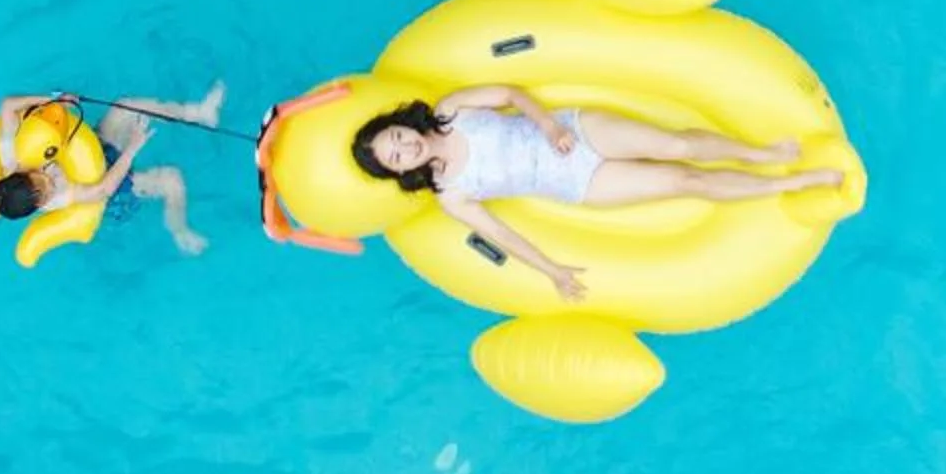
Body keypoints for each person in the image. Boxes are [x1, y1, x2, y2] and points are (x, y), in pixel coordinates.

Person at [349, 86, 842, 300]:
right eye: (395, 157)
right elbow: (500, 233)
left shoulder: (450, 109)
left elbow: (507, 94)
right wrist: (552, 272)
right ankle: (787, 184)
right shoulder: (450, 193)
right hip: (575, 182)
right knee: (682, 181)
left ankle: (763, 153)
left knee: (676, 144)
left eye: (394, 137)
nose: (403, 147)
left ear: (398, 124)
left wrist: (545, 125)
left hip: (573, 133)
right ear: (401, 172)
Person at [0, 84, 225, 255]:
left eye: (39, 178)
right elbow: (104, 189)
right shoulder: (56, 197)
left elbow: (7, 105)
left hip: (92, 151)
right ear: (38, 205)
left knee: (126, 105)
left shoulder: (12, 156)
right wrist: (132, 148)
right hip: (108, 188)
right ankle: (179, 228)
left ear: (19, 172)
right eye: (44, 191)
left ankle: (198, 113)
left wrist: (54, 101)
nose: (48, 181)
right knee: (172, 179)